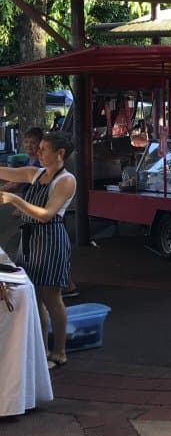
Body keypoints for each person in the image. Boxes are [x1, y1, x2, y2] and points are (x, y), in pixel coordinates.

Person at [0, 132, 77, 370]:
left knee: (51, 297)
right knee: (33, 296)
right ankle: (40, 350)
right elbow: (5, 172)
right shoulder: (36, 174)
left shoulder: (66, 180)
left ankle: (59, 351)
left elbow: (46, 215)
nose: (38, 152)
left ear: (60, 153)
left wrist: (14, 200)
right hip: (30, 240)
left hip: (51, 239)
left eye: (43, 149)